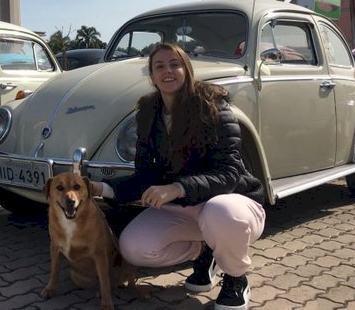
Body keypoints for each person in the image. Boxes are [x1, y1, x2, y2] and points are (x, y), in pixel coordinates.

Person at [92, 42, 266, 310]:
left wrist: (177, 187)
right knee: (133, 247)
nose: (167, 71)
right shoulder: (148, 114)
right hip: (186, 209)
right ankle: (208, 250)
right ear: (152, 76)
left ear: (187, 70)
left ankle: (235, 277)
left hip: (232, 201)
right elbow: (144, 175)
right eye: (159, 66)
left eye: (175, 64)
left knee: (221, 212)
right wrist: (102, 188)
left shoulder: (214, 107)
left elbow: (230, 172)